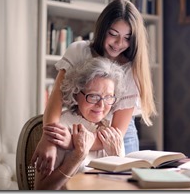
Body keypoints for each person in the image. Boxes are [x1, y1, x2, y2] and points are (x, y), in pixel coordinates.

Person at [31, 0, 157, 176]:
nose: (119, 43)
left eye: (127, 38)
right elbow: (56, 100)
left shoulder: (131, 70)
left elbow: (117, 132)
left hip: (118, 134)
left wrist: (72, 142)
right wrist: (48, 139)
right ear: (102, 29)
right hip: (81, 123)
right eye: (113, 34)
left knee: (121, 183)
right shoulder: (79, 51)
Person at [34, 57, 125, 190]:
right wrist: (76, 157)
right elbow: (41, 189)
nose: (101, 105)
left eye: (108, 97)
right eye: (93, 96)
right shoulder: (60, 128)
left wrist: (116, 159)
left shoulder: (112, 131)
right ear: (76, 94)